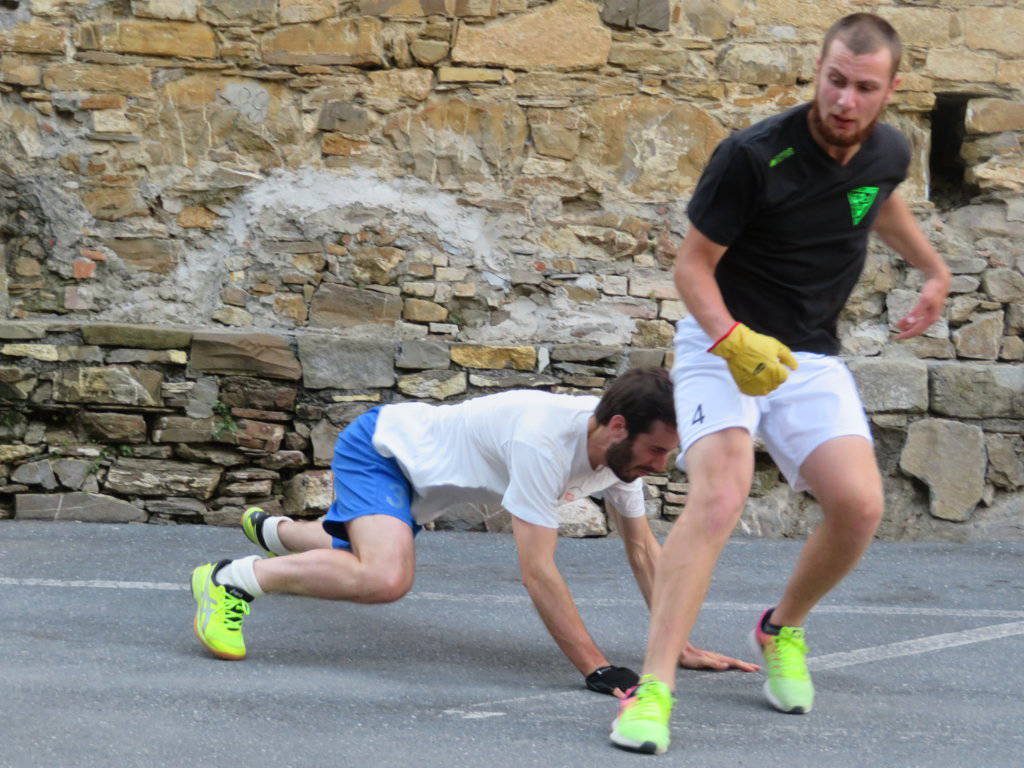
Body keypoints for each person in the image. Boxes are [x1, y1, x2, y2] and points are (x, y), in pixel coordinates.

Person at [610, 14, 951, 755]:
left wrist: (933, 268)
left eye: (864, 88)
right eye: (835, 81)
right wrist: (731, 341)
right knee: (721, 493)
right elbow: (691, 266)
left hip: (807, 353)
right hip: (720, 339)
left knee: (860, 506)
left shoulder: (889, 147)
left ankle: (780, 626)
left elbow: (878, 199)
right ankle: (655, 688)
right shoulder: (752, 157)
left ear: (890, 90)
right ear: (816, 72)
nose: (845, 101)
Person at [190, 367, 756, 696]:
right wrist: (598, 669)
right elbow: (537, 571)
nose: (661, 464)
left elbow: (642, 551)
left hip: (423, 487)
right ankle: (231, 579)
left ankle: (280, 535)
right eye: (657, 449)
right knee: (386, 576)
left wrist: (675, 645)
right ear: (616, 426)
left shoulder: (619, 456)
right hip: (385, 452)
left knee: (365, 550)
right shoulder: (543, 443)